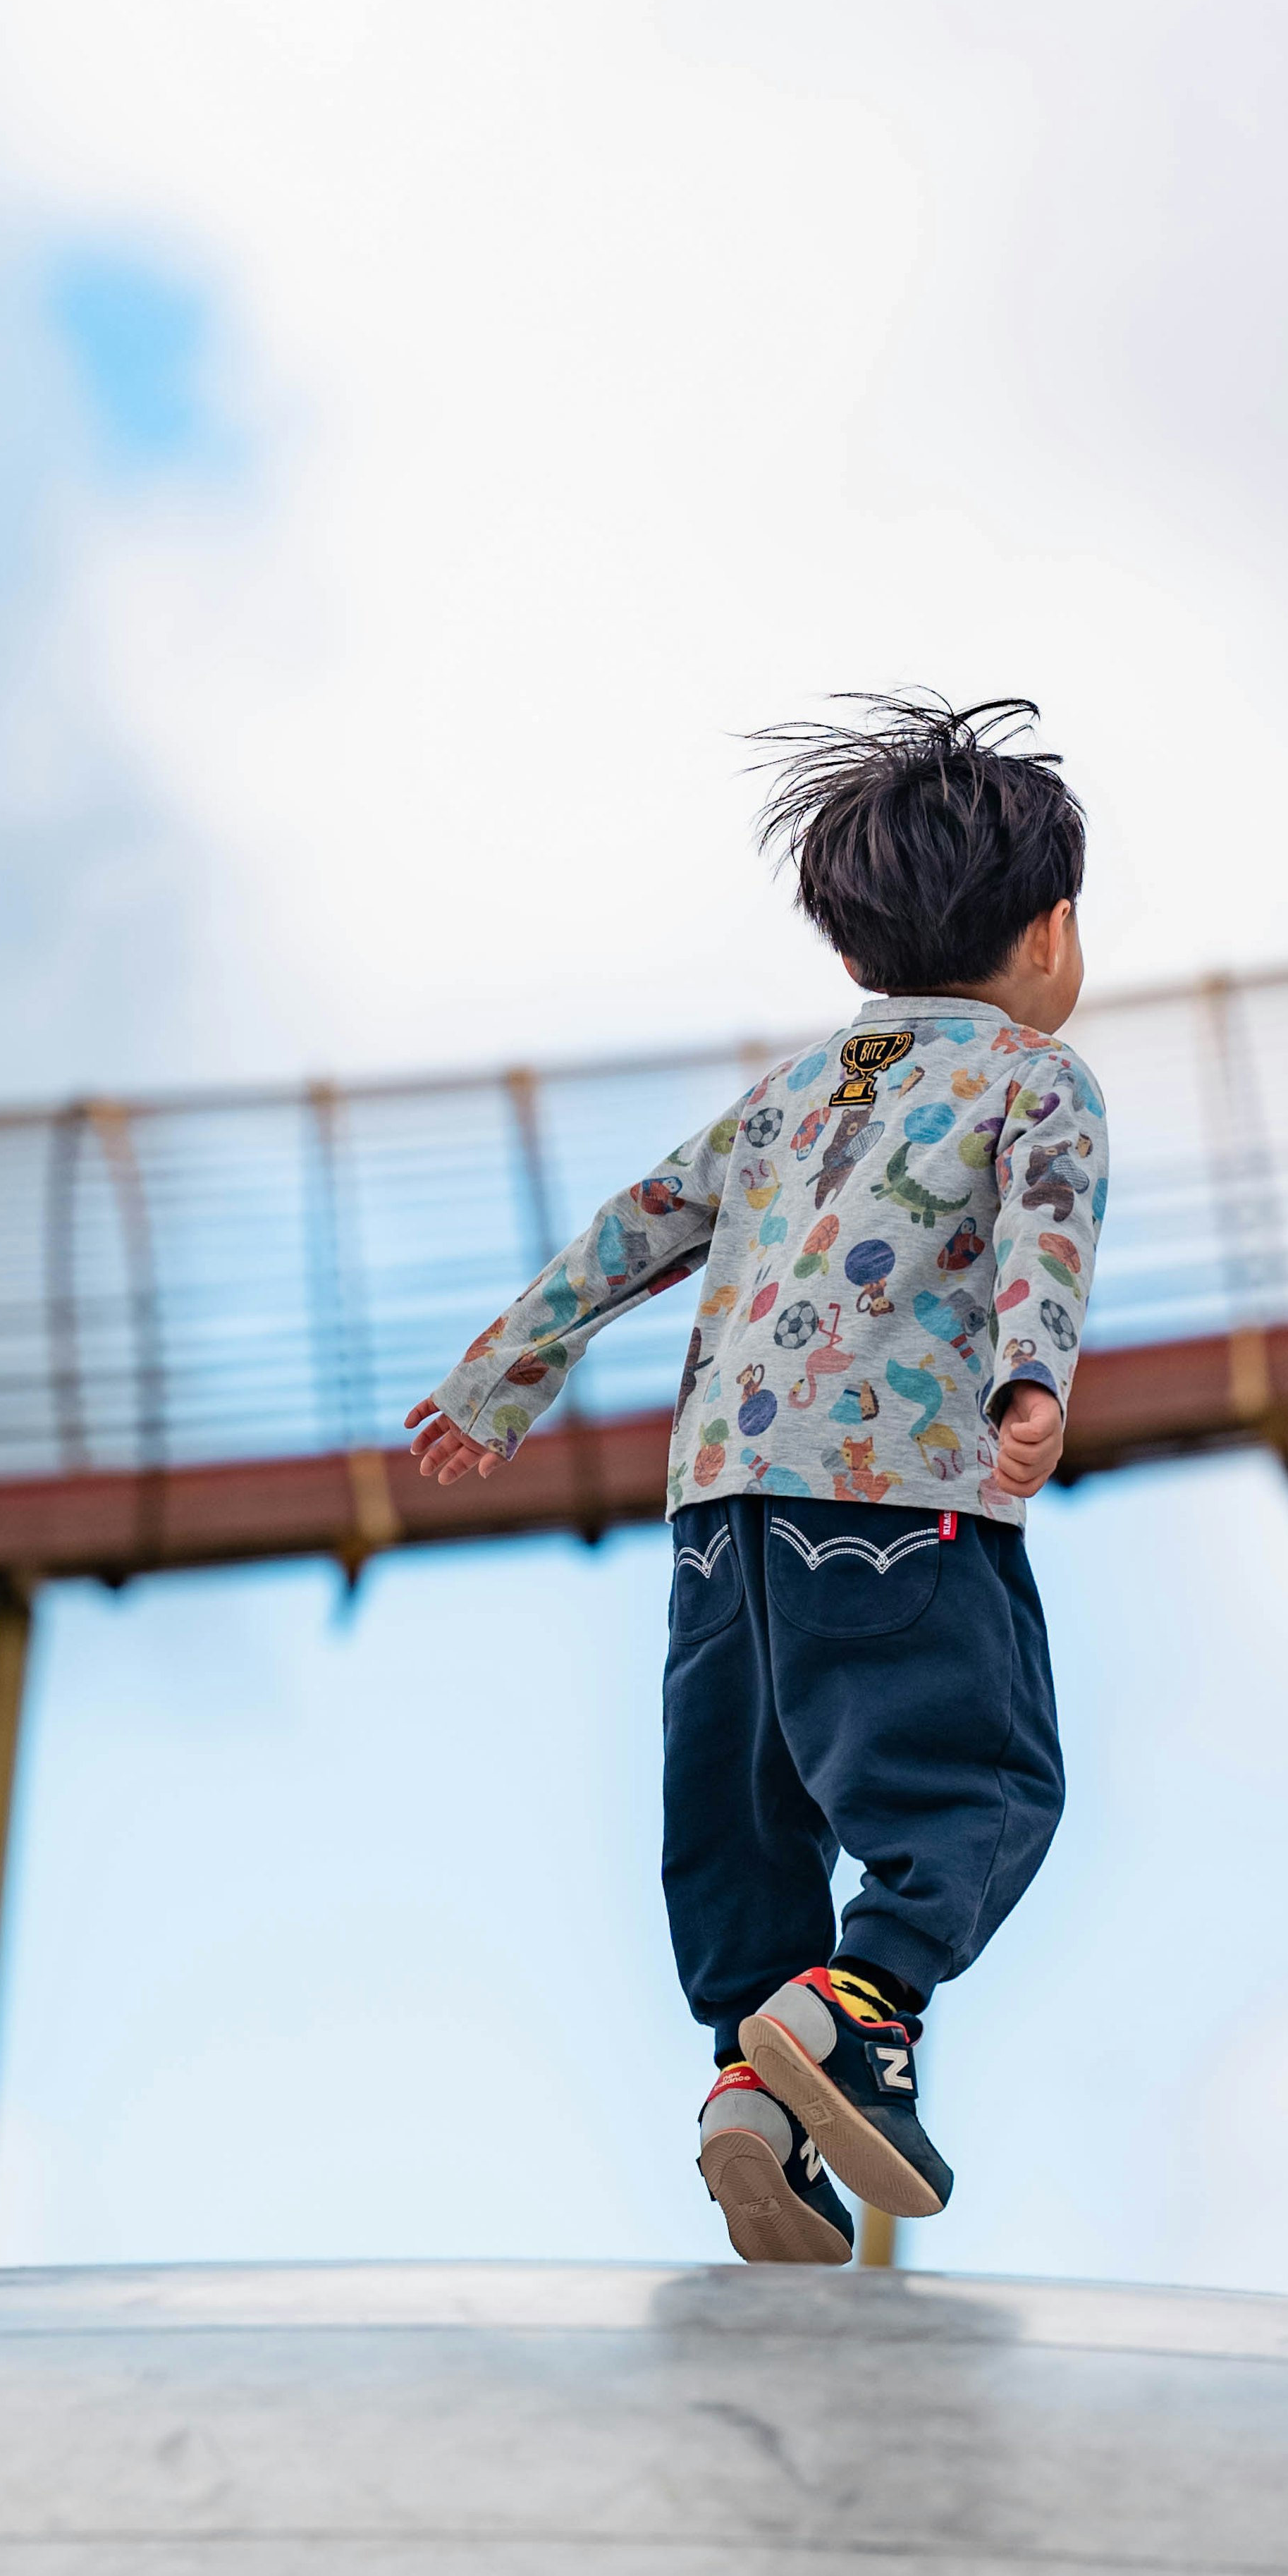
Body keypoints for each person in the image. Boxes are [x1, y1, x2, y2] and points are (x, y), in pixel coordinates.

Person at [404, 693, 1108, 2266]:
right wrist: (1030, 1381)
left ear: (853, 956)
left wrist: (496, 1382)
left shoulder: (791, 1094)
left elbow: (630, 1228)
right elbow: (1047, 1233)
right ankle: (859, 2013)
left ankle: (751, 2091)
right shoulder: (1034, 1077)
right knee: (980, 1781)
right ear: (1053, 935)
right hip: (904, 1499)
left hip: (720, 1517)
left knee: (752, 1808)